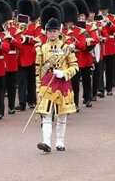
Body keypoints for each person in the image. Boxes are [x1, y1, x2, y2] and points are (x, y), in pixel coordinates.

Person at [34, 15, 78, 153]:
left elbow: (75, 67)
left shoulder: (67, 48)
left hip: (62, 84)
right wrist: (37, 87)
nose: (52, 33)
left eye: (54, 31)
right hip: (47, 84)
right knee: (46, 115)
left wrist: (64, 73)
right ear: (46, 33)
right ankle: (46, 142)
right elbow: (38, 70)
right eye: (49, 31)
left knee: (61, 115)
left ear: (59, 32)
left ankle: (60, 141)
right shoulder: (41, 49)